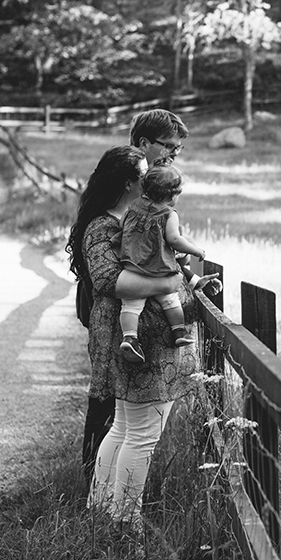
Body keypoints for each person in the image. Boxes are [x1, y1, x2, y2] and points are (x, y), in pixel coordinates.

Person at [65, 137, 219, 518]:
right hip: (140, 344)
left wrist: (190, 280)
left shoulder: (137, 221)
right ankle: (125, 520)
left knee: (123, 428)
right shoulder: (104, 226)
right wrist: (168, 285)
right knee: (142, 436)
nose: (150, 178)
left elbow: (171, 261)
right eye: (142, 174)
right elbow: (106, 281)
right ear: (127, 184)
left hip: (146, 340)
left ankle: (103, 511)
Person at [117, 158, 205, 361]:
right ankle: (179, 332)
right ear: (172, 194)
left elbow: (122, 224)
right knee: (171, 301)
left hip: (132, 267)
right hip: (158, 269)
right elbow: (175, 239)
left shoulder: (135, 205)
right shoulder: (169, 214)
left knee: (130, 306)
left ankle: (129, 338)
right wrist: (195, 250)